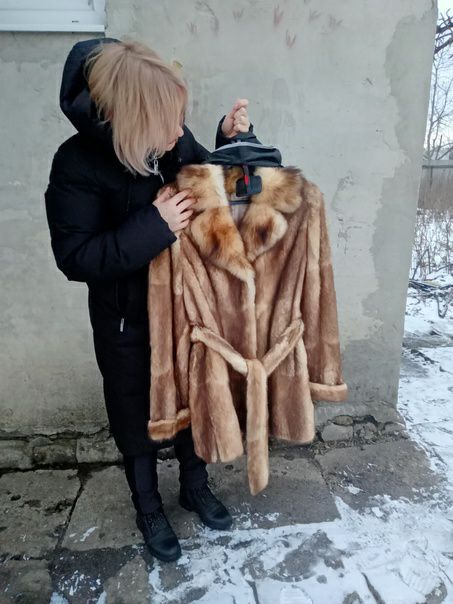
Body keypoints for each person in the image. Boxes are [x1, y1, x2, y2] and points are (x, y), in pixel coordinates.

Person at [44, 37, 255, 562]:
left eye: (181, 119)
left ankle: (194, 485)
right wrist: (155, 225)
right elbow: (76, 257)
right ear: (132, 122)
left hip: (185, 309)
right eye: (168, 122)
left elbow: (218, 184)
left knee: (191, 398)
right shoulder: (76, 165)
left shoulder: (173, 142)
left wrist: (229, 142)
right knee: (134, 414)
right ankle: (148, 505)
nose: (178, 132)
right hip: (126, 321)